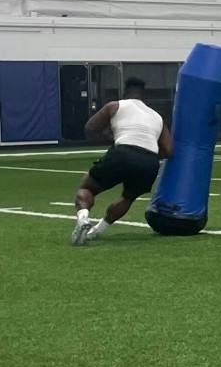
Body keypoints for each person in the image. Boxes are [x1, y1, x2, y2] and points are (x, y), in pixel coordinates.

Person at [70, 78, 172, 245]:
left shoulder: (115, 105)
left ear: (124, 92)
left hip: (122, 152)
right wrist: (146, 156)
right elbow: (169, 150)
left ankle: (83, 218)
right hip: (149, 161)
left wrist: (110, 141)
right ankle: (97, 231)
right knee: (128, 198)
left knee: (87, 188)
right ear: (144, 96)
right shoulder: (157, 117)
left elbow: (90, 128)